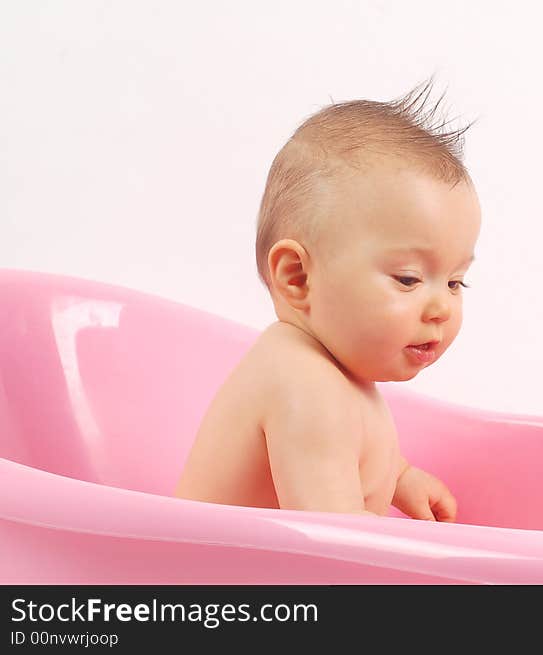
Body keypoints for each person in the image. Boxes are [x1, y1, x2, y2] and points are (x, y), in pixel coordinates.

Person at [174, 79, 481, 522]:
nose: (442, 309)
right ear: (298, 277)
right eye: (408, 278)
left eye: (455, 283)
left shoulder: (336, 370)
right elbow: (333, 540)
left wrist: (400, 477)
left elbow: (349, 453)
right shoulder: (304, 386)